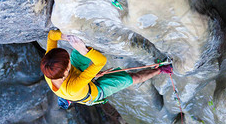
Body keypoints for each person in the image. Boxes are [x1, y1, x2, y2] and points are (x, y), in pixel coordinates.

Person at [40, 29, 172, 107]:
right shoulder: (73, 88)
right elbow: (101, 62)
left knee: (83, 45)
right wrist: (84, 51)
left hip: (76, 74)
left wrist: (68, 37)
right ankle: (161, 69)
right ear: (65, 72)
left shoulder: (49, 66)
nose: (69, 58)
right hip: (94, 91)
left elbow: (51, 35)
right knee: (132, 78)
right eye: (68, 61)